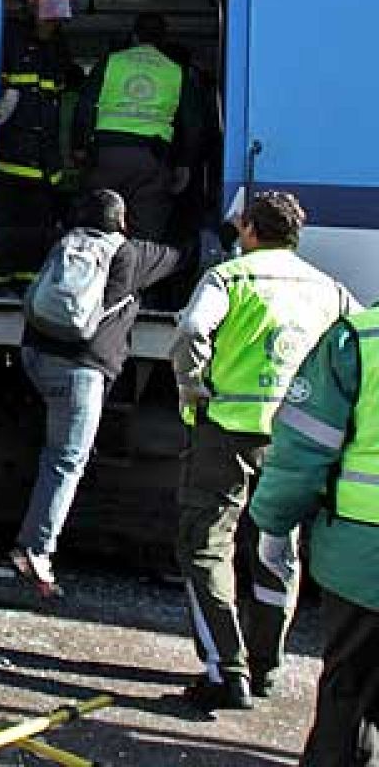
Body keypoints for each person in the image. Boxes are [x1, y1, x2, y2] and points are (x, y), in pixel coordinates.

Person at [170, 190, 357, 711]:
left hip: (225, 430)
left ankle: (225, 672)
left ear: (250, 229)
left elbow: (190, 331)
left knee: (207, 546)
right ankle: (267, 666)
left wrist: (193, 386)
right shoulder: (330, 291)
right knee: (277, 549)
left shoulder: (230, 277)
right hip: (294, 439)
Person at [4, 189, 184, 598]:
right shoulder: (132, 254)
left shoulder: (62, 242)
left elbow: (4, 242)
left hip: (35, 356)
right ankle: (35, 551)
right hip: (82, 370)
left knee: (53, 451)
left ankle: (32, 538)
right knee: (66, 461)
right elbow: (180, 256)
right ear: (123, 222)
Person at [249, 304, 379, 764]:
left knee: (347, 693)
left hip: (364, 562)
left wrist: (273, 524)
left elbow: (302, 450)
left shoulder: (359, 339)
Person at [0, 0, 81, 293]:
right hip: (10, 159)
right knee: (7, 228)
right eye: (48, 11)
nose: (53, 20)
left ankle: (27, 288)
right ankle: (0, 283)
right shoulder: (8, 37)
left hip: (45, 163)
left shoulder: (59, 47)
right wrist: (7, 93)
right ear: (31, 8)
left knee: (39, 231)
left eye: (59, 12)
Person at [74, 13, 204, 240]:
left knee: (97, 223)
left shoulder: (110, 62)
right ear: (164, 40)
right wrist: (184, 164)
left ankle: (97, 271)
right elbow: (192, 125)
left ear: (133, 36)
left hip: (107, 157)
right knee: (146, 230)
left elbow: (84, 107)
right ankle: (135, 273)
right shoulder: (176, 71)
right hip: (151, 162)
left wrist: (79, 147)